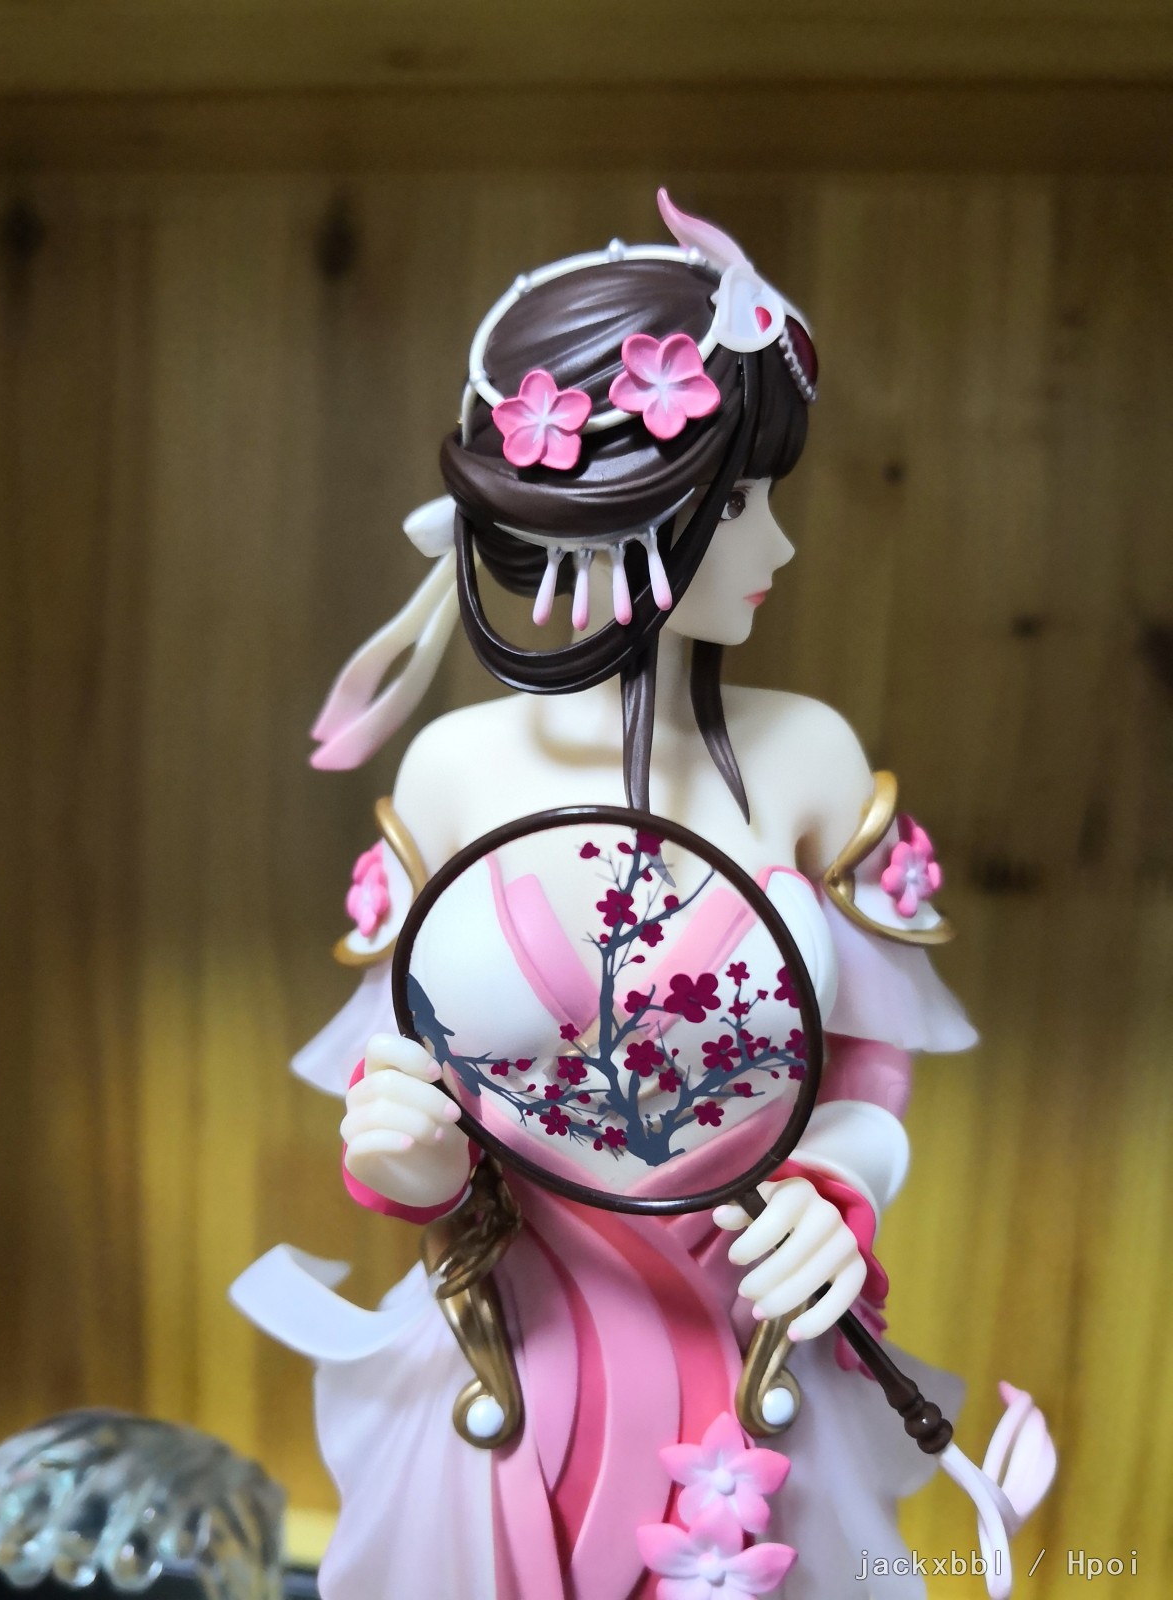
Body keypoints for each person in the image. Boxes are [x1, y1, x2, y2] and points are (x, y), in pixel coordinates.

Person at [232, 192, 1052, 1600]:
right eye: (738, 506)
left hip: (751, 1348)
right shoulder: (451, 772)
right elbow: (401, 1069)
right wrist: (407, 1161)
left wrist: (842, 1186)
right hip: (512, 1356)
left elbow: (870, 1063)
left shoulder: (811, 758)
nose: (778, 549)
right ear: (620, 508)